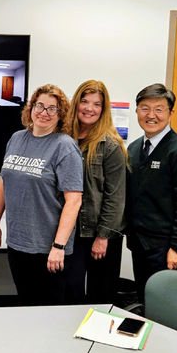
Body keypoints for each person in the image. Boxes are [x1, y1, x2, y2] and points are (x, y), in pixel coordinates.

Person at [0, 84, 83, 305]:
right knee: (26, 303)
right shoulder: (17, 138)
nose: (44, 112)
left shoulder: (65, 147)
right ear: (30, 108)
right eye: (39, 105)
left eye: (53, 109)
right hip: (18, 243)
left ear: (61, 116)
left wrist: (59, 246)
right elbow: (4, 183)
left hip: (48, 249)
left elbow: (74, 200)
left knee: (48, 311)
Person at [126, 83, 177, 302]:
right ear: (137, 111)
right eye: (144, 108)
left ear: (170, 113)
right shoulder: (133, 149)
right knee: (144, 298)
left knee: (167, 305)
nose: (151, 115)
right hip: (140, 244)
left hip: (166, 247)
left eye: (159, 109)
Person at [63, 80, 128, 304]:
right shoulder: (64, 140)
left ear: (103, 109)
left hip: (101, 234)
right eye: (85, 101)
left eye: (97, 104)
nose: (90, 108)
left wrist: (103, 236)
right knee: (70, 293)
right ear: (76, 104)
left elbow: (116, 197)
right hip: (72, 232)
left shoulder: (110, 145)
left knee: (100, 296)